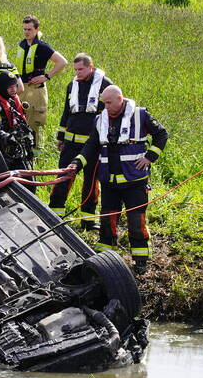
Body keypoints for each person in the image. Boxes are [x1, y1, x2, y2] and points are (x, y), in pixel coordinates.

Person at [67, 86, 168, 274]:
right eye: (103, 102)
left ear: (120, 99)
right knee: (107, 221)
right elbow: (91, 146)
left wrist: (150, 157)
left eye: (108, 102)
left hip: (134, 182)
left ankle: (140, 260)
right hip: (109, 182)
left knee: (136, 222)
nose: (105, 106)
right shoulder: (100, 119)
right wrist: (76, 164)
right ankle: (106, 259)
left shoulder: (140, 115)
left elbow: (162, 134)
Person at [48, 52, 109, 230]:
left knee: (91, 182)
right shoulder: (71, 85)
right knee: (63, 178)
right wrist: (61, 137)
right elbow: (66, 112)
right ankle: (54, 216)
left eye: (81, 69)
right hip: (71, 142)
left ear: (91, 67)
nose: (77, 73)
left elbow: (110, 114)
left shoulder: (105, 85)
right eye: (75, 69)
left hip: (92, 145)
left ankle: (88, 221)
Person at [17, 15, 68, 147]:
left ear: (36, 29)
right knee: (21, 120)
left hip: (36, 90)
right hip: (22, 88)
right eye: (24, 29)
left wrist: (47, 76)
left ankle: (37, 155)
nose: (26, 32)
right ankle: (24, 150)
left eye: (29, 29)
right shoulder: (22, 45)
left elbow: (62, 62)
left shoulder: (42, 46)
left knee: (36, 122)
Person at [0, 72, 34, 170]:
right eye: (10, 87)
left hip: (14, 145)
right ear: (2, 87)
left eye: (15, 86)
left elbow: (20, 120)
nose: (14, 90)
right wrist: (9, 138)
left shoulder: (12, 99)